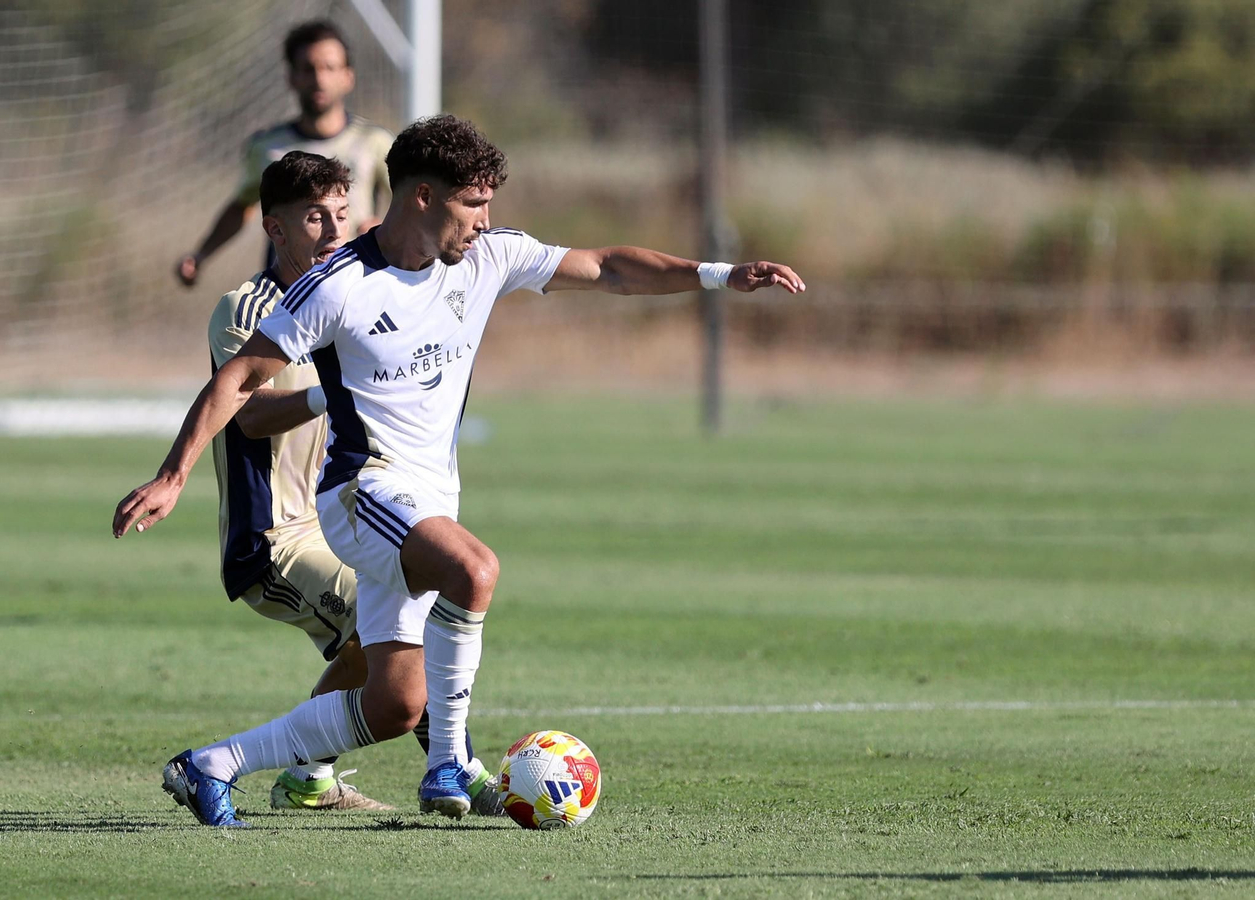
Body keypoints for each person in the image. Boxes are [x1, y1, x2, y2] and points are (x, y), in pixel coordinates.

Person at [115, 115, 805, 827]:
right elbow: (238, 379)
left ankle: (211, 765)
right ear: (421, 196)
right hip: (361, 492)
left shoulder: (488, 257)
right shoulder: (338, 285)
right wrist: (173, 475)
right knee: (474, 570)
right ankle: (450, 765)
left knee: (392, 705)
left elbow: (607, 268)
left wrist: (721, 275)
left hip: (430, 497)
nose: (485, 220)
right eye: (473, 204)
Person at [198, 149, 504, 816]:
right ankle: (459, 770)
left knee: (402, 638)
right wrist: (331, 397)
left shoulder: (361, 290)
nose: (335, 229)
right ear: (275, 229)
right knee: (405, 637)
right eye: (315, 217)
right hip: (276, 538)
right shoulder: (246, 308)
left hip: (347, 518)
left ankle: (307, 777)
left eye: (342, 212)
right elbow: (247, 414)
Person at [176, 20, 393, 288]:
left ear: (348, 76)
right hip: (287, 291)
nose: (319, 79)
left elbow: (409, 204)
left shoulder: (374, 142)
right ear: (291, 77)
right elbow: (242, 207)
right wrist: (200, 255)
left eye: (329, 67)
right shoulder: (268, 147)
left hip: (355, 286)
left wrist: (382, 230)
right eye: (309, 69)